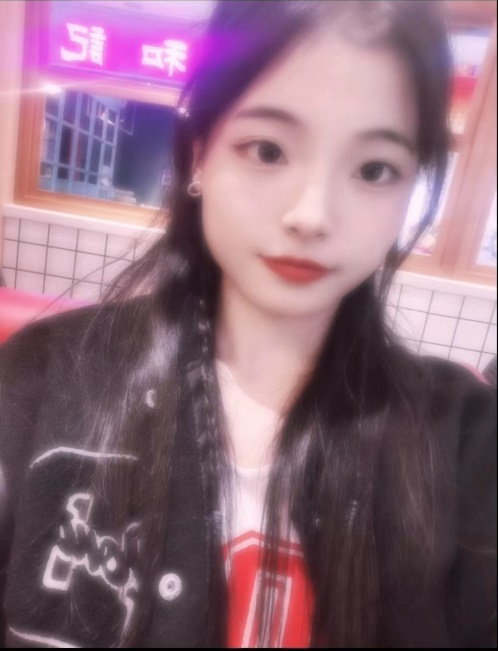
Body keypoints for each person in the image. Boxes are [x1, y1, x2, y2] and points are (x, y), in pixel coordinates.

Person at [0, 1, 496, 647]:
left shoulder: (467, 443)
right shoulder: (40, 380)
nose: (312, 214)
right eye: (267, 150)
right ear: (199, 156)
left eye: (375, 169)